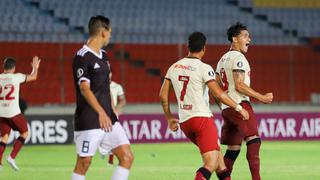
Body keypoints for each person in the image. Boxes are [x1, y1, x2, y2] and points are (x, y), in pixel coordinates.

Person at [159, 32, 249, 180]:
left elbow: (162, 96)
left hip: (185, 122)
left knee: (220, 164)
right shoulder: (204, 68)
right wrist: (239, 108)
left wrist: (169, 118)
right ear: (203, 49)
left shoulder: (173, 67)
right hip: (202, 120)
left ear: (188, 47)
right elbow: (219, 94)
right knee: (211, 163)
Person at [71, 15, 133, 180]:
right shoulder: (81, 56)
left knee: (127, 157)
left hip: (109, 119)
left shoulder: (104, 55)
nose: (111, 36)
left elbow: (105, 87)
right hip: (90, 118)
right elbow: (84, 89)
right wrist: (100, 112)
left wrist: (110, 110)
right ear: (103, 32)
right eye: (110, 32)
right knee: (84, 163)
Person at [215, 22, 273, 180]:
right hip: (239, 104)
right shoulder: (239, 57)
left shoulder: (221, 60)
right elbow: (239, 85)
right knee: (254, 140)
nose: (249, 39)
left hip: (227, 108)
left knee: (233, 149)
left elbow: (216, 88)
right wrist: (262, 97)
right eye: (245, 36)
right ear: (235, 39)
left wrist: (223, 105)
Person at [0, 56, 41, 171]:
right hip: (13, 112)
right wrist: (35, 67)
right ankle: (11, 157)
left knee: (4, 136)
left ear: (4, 67)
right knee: (25, 133)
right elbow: (34, 77)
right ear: (13, 68)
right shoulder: (16, 77)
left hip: (1, 113)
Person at [99, 69, 127, 165]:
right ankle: (103, 150)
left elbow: (123, 100)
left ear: (111, 74)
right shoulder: (98, 86)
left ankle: (111, 159)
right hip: (101, 113)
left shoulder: (117, 86)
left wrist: (117, 109)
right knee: (101, 135)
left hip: (113, 114)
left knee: (113, 136)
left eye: (109, 73)